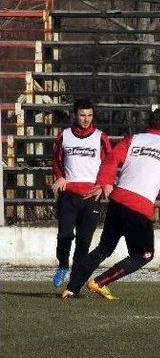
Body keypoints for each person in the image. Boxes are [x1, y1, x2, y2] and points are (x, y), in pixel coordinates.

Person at [62, 108, 160, 300]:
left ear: (149, 124)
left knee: (104, 248)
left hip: (117, 200)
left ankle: (71, 288)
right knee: (144, 255)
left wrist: (105, 182)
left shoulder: (133, 139)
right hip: (140, 207)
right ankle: (99, 282)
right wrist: (148, 190)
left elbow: (111, 160)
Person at [51, 99, 111, 287]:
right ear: (75, 115)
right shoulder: (65, 136)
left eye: (89, 115)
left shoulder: (101, 137)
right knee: (65, 235)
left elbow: (109, 164)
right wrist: (60, 177)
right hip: (68, 195)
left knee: (84, 241)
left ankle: (75, 278)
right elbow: (56, 161)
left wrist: (103, 185)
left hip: (91, 196)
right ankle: (62, 264)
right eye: (82, 115)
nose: (86, 119)